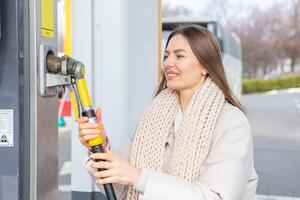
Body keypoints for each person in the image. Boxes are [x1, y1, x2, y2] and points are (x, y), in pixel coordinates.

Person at [78, 25, 258, 200]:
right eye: (166, 56)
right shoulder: (154, 116)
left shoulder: (232, 123)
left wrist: (139, 177)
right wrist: (99, 146)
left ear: (205, 66)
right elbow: (123, 192)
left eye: (179, 56)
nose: (167, 63)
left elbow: (215, 196)